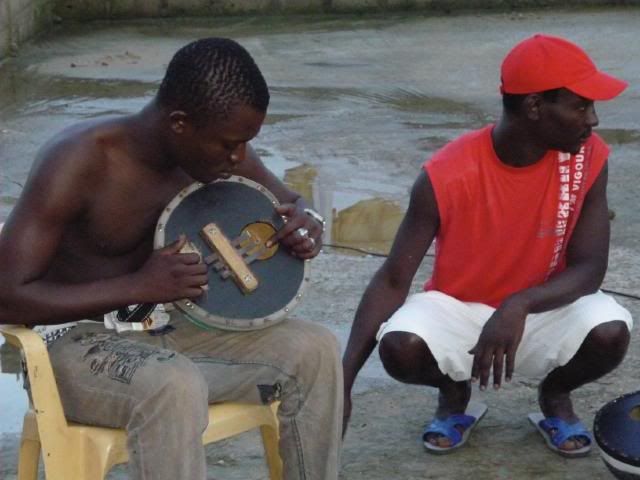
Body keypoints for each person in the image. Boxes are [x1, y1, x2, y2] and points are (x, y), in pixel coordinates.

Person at [0, 38, 342, 480]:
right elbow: (6, 296)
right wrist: (138, 287)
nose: (239, 158)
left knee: (314, 350)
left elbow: (288, 201)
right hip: (70, 345)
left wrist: (305, 220)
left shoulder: (216, 153)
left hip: (168, 330)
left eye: (245, 144)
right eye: (230, 145)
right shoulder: (81, 160)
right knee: (173, 385)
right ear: (180, 123)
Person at [342, 34, 633, 457]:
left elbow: (590, 269)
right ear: (535, 107)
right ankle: (453, 392)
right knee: (400, 348)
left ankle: (554, 397)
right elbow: (393, 278)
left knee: (610, 331)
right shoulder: (446, 172)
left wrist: (519, 304)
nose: (593, 120)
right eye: (581, 105)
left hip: (541, 306)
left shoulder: (590, 157)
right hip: (459, 309)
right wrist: (343, 381)